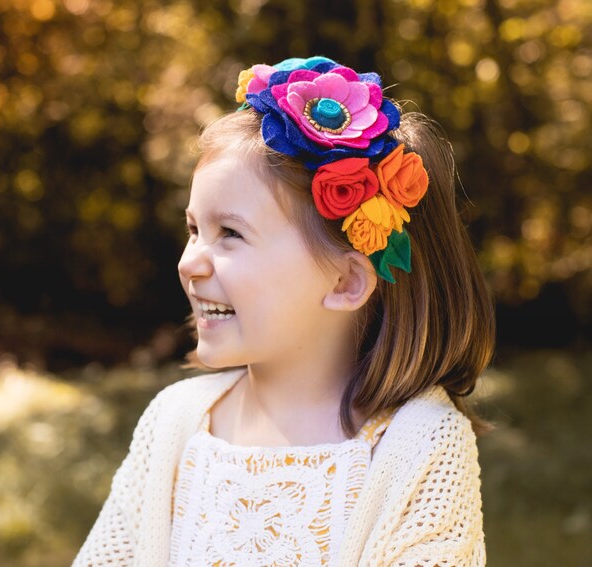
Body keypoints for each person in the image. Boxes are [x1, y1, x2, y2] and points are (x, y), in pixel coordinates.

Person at [72, 56, 494, 566]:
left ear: (346, 281)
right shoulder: (174, 424)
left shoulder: (417, 446)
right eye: (193, 230)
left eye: (230, 233)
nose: (189, 262)